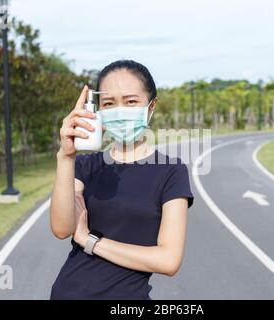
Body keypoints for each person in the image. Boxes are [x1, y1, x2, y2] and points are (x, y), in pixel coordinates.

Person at [49, 59, 194, 300]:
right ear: (98, 111)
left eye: (131, 101)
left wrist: (90, 241)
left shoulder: (171, 172)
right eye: (109, 103)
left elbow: (169, 261)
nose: (120, 110)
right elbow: (62, 228)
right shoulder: (85, 166)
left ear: (151, 106)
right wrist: (66, 156)